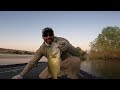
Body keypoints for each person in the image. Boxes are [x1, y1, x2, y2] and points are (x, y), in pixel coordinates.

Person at [12, 27, 81, 79]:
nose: (48, 37)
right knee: (42, 77)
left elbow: (77, 53)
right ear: (42, 37)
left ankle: (72, 76)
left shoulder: (61, 40)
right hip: (54, 66)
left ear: (53, 35)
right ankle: (62, 74)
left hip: (67, 63)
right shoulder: (41, 49)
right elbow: (32, 62)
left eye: (50, 34)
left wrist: (68, 47)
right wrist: (21, 75)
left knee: (76, 60)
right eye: (45, 35)